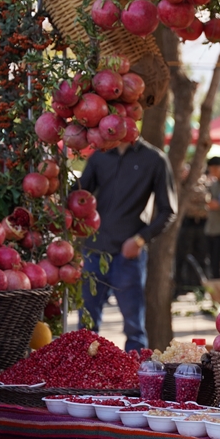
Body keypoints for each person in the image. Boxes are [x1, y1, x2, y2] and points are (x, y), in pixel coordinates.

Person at [77, 136, 177, 351]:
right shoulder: (99, 155)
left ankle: (137, 379)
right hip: (94, 250)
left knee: (134, 328)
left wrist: (140, 239)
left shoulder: (155, 158)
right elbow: (78, 197)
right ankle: (83, 377)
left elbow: (168, 210)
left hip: (129, 255)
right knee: (85, 327)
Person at [174, 164, 210, 294]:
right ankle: (180, 287)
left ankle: (199, 287)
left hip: (201, 225)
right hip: (185, 223)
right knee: (181, 256)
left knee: (200, 257)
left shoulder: (204, 183)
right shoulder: (179, 185)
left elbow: (208, 204)